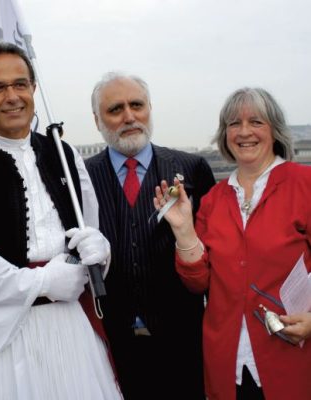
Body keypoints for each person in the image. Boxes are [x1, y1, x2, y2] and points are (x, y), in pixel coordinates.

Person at [0, 42, 122, 399]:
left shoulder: (65, 156)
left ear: (33, 88)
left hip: (73, 333)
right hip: (4, 343)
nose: (12, 96)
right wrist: (43, 281)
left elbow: (87, 231)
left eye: (20, 84)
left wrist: (99, 250)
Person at [154, 87, 311, 400]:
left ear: (275, 130)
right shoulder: (213, 200)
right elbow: (199, 283)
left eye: (256, 122)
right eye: (233, 124)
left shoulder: (304, 184)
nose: (244, 132)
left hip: (292, 357)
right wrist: (184, 230)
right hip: (228, 363)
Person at [85, 71, 216, 399]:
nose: (129, 117)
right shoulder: (80, 177)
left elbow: (214, 253)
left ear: (149, 108)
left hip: (183, 340)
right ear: (97, 119)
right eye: (116, 109)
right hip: (110, 342)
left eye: (137, 105)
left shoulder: (192, 168)